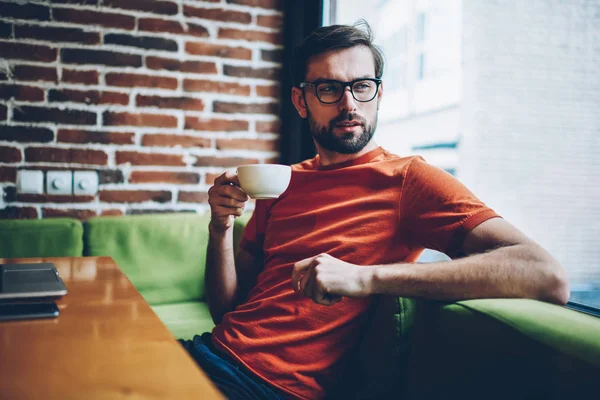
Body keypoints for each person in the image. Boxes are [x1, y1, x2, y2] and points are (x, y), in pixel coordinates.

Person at [179, 21, 569, 400]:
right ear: (301, 101)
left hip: (268, 386)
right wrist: (220, 227)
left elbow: (545, 274)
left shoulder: (408, 179)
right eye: (329, 88)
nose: (349, 104)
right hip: (209, 352)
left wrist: (366, 278)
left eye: (362, 86)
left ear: (378, 95)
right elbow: (225, 311)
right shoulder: (281, 183)